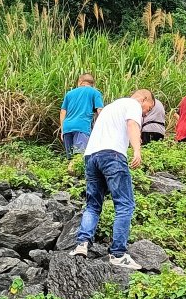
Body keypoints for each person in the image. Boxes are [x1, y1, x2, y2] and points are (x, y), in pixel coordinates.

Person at [72, 89, 155, 267]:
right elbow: (132, 125)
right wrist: (137, 150)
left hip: (91, 156)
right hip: (113, 155)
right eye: (149, 108)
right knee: (125, 204)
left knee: (93, 205)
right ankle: (118, 254)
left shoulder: (110, 107)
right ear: (144, 99)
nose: (147, 113)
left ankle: (82, 244)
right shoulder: (133, 104)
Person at [59, 73, 104, 157]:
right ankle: (75, 170)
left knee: (71, 157)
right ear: (92, 84)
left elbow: (62, 112)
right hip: (82, 127)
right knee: (79, 156)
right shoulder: (95, 92)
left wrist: (62, 130)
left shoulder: (69, 94)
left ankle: (69, 169)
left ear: (80, 82)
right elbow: (100, 110)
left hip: (67, 128)